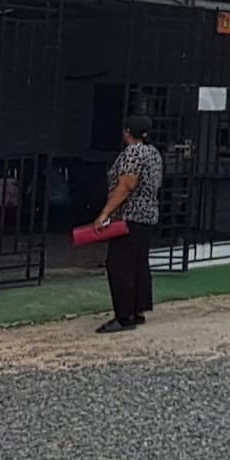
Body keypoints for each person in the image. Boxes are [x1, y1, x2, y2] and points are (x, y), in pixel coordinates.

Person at [92, 114, 163, 334]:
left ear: (127, 132)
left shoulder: (133, 153)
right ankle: (138, 310)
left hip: (130, 218)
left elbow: (126, 186)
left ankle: (124, 317)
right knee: (138, 264)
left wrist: (105, 213)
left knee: (119, 266)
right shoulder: (153, 153)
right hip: (148, 216)